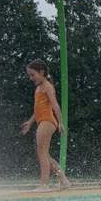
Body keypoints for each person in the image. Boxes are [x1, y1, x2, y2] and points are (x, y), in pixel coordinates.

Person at [20, 60, 71, 191]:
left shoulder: (48, 86)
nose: (31, 78)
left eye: (32, 74)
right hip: (42, 121)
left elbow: (55, 105)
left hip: (48, 121)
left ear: (41, 72)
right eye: (29, 75)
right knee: (45, 154)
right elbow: (38, 109)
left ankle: (44, 184)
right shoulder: (38, 88)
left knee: (41, 153)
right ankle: (64, 181)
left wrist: (60, 122)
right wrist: (30, 123)